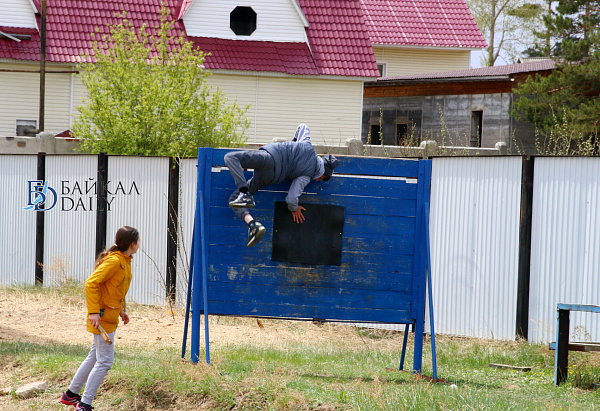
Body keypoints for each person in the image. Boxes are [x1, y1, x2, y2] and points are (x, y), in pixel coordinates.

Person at [60, 226, 140, 411]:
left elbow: (114, 289)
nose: (139, 245)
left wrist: (121, 310)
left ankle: (71, 394)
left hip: (110, 315)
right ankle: (84, 404)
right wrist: (94, 312)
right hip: (102, 318)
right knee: (105, 362)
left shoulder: (124, 261)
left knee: (94, 356)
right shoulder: (115, 261)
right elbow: (91, 283)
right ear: (132, 244)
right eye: (138, 242)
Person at [225, 124, 339, 247]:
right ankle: (253, 225)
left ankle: (244, 193)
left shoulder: (306, 144)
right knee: (234, 199)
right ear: (322, 171)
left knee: (231, 157)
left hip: (269, 158)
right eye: (321, 177)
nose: (317, 180)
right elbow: (291, 199)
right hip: (270, 176)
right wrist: (294, 208)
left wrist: (294, 143)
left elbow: (303, 127)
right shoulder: (306, 175)